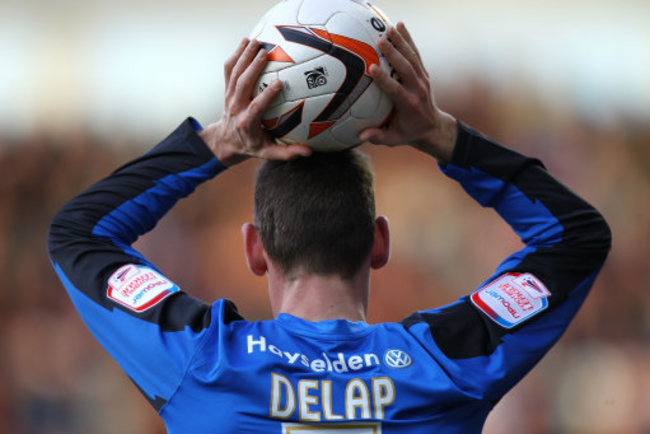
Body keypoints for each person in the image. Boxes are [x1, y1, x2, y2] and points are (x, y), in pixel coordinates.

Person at [48, 23, 610, 433]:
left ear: (255, 250)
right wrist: (442, 135)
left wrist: (220, 143)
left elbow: (78, 234)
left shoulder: (207, 362)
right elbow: (575, 236)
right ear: (380, 243)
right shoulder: (445, 364)